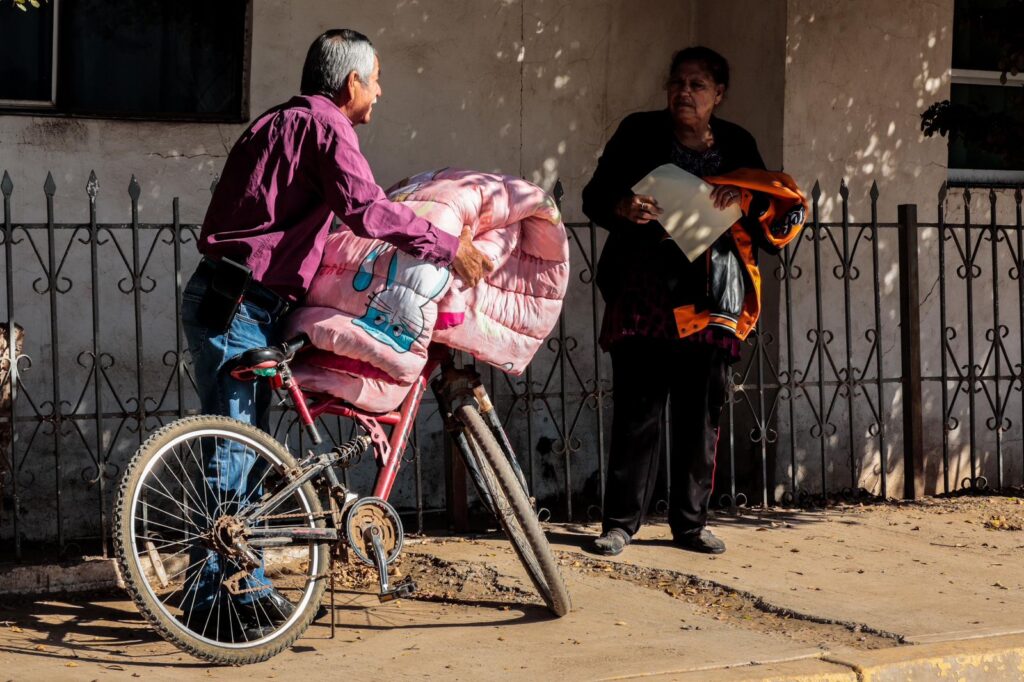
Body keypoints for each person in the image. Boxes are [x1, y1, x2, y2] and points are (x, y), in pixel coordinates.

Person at [180, 29, 491, 635]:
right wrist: (447, 246)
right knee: (235, 446)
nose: (378, 93)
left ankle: (245, 589)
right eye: (375, 80)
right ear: (352, 82)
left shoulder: (276, 122)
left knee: (246, 449)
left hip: (241, 297)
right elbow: (367, 209)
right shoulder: (327, 127)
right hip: (239, 302)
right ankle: (209, 598)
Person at [582, 46, 772, 557]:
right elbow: (594, 196)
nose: (684, 92)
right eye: (678, 83)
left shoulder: (738, 144)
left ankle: (691, 524)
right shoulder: (638, 132)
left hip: (711, 296)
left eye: (698, 85)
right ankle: (621, 523)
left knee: (700, 411)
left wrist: (745, 201)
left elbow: (769, 213)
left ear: (719, 95)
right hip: (645, 290)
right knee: (637, 408)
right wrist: (623, 205)